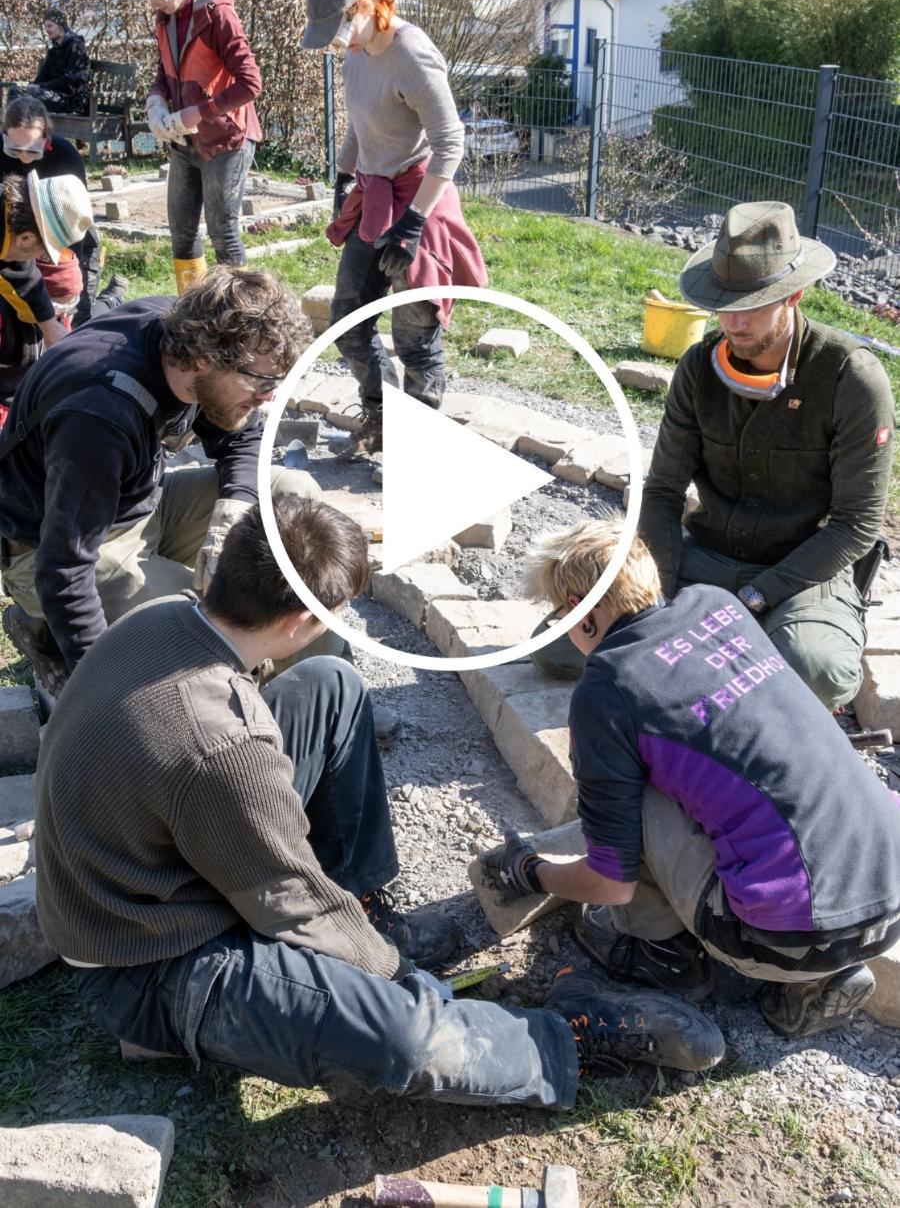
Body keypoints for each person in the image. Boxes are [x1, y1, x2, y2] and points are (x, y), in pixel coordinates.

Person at [35, 494, 725, 1101]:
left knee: (329, 687)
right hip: (147, 962)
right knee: (398, 1036)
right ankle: (559, 1040)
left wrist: (355, 932)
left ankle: (365, 909)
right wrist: (391, 974)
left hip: (143, 874)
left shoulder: (162, 619)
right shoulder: (222, 747)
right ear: (299, 621)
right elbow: (288, 898)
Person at [483, 519, 900, 1040]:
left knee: (631, 797)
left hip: (783, 937)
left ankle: (665, 955)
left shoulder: (608, 686)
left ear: (578, 612)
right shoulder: (716, 604)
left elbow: (612, 882)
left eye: (560, 615)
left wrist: (533, 872)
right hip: (890, 894)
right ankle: (823, 977)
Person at [532, 202, 894, 711]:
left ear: (794, 295)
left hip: (801, 570)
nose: (734, 322)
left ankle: (750, 650)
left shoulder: (851, 378)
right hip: (707, 555)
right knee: (562, 647)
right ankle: (731, 657)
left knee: (817, 671)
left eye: (753, 304)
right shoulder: (698, 366)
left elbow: (856, 525)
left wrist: (758, 596)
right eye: (724, 304)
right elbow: (661, 491)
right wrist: (659, 594)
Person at [0, 267, 333, 699]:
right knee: (206, 624)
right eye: (261, 381)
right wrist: (95, 697)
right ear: (203, 358)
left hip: (136, 503)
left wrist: (232, 512)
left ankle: (312, 693)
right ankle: (45, 630)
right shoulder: (99, 416)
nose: (269, 395)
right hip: (53, 549)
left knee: (294, 497)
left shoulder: (181, 337)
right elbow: (63, 571)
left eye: (277, 382)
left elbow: (245, 435)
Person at [302, 0, 486, 459]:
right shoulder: (355, 51)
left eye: (337, 29)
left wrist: (413, 225)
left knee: (415, 336)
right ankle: (382, 418)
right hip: (374, 194)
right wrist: (343, 176)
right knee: (348, 321)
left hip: (418, 197)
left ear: (363, 5)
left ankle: (418, 448)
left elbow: (451, 142)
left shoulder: (412, 53)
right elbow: (358, 124)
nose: (337, 44)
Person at [130, 0, 262, 294]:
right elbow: (164, 71)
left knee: (223, 232)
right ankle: (193, 315)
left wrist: (198, 112)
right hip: (184, 142)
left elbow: (251, 83)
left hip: (226, 139)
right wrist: (155, 99)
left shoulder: (217, 14)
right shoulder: (165, 15)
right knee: (182, 234)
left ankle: (236, 320)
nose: (154, 3)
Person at [1, 94, 128, 327]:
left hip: (66, 238)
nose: (24, 158)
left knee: (76, 319)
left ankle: (111, 299)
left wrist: (66, 285)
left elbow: (73, 219)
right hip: (17, 241)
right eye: (14, 150)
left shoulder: (65, 156)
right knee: (21, 320)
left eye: (32, 151)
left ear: (47, 138)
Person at [0, 170, 93, 428]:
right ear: (27, 238)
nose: (38, 259)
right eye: (42, 251)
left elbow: (23, 275)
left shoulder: (8, 218)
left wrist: (50, 326)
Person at [9, 9, 90, 115]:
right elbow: (41, 78)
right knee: (15, 91)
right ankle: (12, 129)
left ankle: (20, 128)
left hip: (69, 100)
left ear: (60, 25)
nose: (47, 30)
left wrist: (41, 87)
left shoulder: (76, 46)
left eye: (50, 26)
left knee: (32, 95)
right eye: (45, 27)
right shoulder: (53, 52)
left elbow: (71, 78)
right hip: (51, 94)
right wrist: (32, 87)